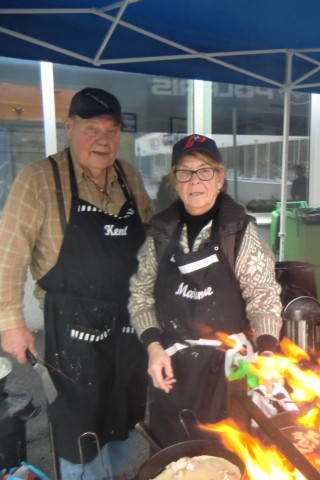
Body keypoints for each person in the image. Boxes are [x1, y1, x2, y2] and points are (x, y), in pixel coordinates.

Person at [0, 88, 154, 479]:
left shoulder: (129, 177)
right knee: (80, 431)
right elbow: (8, 256)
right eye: (91, 129)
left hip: (127, 327)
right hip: (73, 335)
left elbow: (153, 240)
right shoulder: (39, 179)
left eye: (112, 130)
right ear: (69, 127)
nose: (103, 140)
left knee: (123, 416)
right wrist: (10, 322)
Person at [128, 134, 283, 445]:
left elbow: (263, 296)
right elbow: (141, 295)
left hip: (229, 369)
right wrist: (153, 346)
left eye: (204, 171)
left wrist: (267, 351)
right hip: (172, 367)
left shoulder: (239, 232)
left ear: (220, 178)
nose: (194, 181)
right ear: (175, 180)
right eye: (185, 172)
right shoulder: (159, 233)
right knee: (174, 457)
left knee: (229, 452)